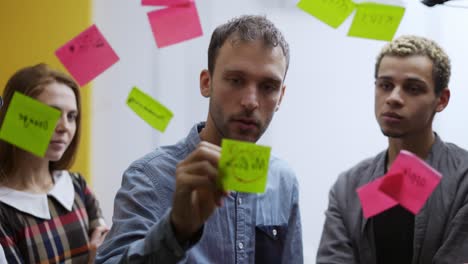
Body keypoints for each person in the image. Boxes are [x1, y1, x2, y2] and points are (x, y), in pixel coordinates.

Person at [96, 15, 303, 263]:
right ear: (207, 83)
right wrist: (176, 229)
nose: (250, 101)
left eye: (268, 86)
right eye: (236, 80)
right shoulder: (150, 177)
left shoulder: (283, 181)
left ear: (280, 97)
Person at [317, 35, 468, 263]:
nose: (394, 98)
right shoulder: (348, 187)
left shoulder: (463, 180)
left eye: (413, 88)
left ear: (442, 99)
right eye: (385, 86)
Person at [0, 63, 109, 263]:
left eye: (72, 116)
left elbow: (108, 247)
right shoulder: (4, 211)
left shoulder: (77, 186)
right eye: (51, 114)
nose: (65, 127)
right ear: (16, 117)